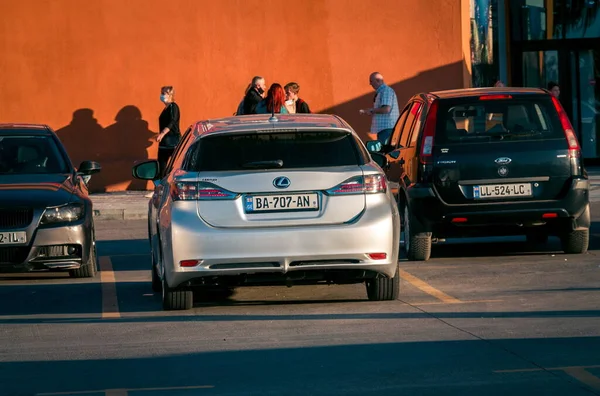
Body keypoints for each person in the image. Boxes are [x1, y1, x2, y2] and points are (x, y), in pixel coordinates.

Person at [359, 72, 400, 145]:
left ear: (378, 80)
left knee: (386, 152)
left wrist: (371, 110)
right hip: (385, 129)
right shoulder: (382, 91)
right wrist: (370, 111)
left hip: (387, 129)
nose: (370, 84)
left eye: (371, 81)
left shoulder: (385, 91)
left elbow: (386, 109)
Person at [155, 86, 181, 177]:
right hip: (164, 142)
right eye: (161, 93)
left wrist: (162, 133)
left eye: (163, 93)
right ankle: (161, 186)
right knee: (161, 167)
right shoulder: (165, 109)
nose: (161, 95)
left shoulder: (173, 106)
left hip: (173, 141)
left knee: (175, 166)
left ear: (170, 95)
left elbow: (172, 121)